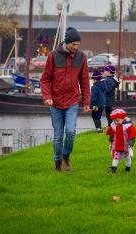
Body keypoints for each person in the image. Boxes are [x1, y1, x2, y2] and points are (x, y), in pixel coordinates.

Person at [40, 27, 90, 172]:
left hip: (72, 102)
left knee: (70, 132)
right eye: (73, 44)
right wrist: (47, 97)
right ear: (66, 42)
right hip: (55, 103)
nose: (76, 47)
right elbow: (45, 79)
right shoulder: (53, 56)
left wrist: (86, 102)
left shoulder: (81, 57)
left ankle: (66, 156)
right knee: (58, 136)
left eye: (78, 45)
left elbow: (85, 81)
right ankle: (57, 163)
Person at [106, 109, 136, 173]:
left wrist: (130, 144)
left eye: (117, 121)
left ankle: (128, 168)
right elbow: (112, 134)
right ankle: (113, 169)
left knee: (127, 157)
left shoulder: (128, 126)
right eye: (114, 121)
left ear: (123, 119)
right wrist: (110, 142)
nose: (116, 122)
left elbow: (132, 135)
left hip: (126, 146)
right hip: (117, 145)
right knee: (115, 157)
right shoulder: (113, 125)